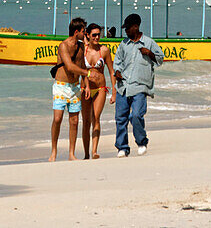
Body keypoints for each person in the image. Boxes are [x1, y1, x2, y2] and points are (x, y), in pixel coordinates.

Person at [113, 13, 164, 157]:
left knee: (136, 115)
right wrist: (117, 72)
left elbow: (160, 59)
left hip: (140, 86)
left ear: (136, 27)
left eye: (128, 28)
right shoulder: (124, 44)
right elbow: (117, 61)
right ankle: (122, 147)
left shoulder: (149, 43)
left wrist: (150, 54)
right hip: (123, 86)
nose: (126, 31)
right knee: (120, 118)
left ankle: (141, 142)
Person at [50, 17, 89, 161]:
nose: (85, 34)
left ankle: (71, 153)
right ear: (76, 31)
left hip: (75, 87)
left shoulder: (81, 46)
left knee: (74, 121)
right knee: (58, 118)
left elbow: (82, 65)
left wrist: (86, 84)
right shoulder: (63, 46)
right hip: (61, 86)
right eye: (83, 31)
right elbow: (70, 66)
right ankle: (54, 151)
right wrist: (88, 74)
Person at [79, 23, 115, 160]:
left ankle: (94, 151)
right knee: (86, 121)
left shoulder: (104, 50)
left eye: (99, 34)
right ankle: (86, 153)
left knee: (96, 118)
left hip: (100, 89)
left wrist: (114, 92)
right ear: (87, 35)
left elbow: (111, 71)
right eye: (94, 35)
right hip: (85, 88)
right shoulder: (83, 50)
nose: (97, 37)